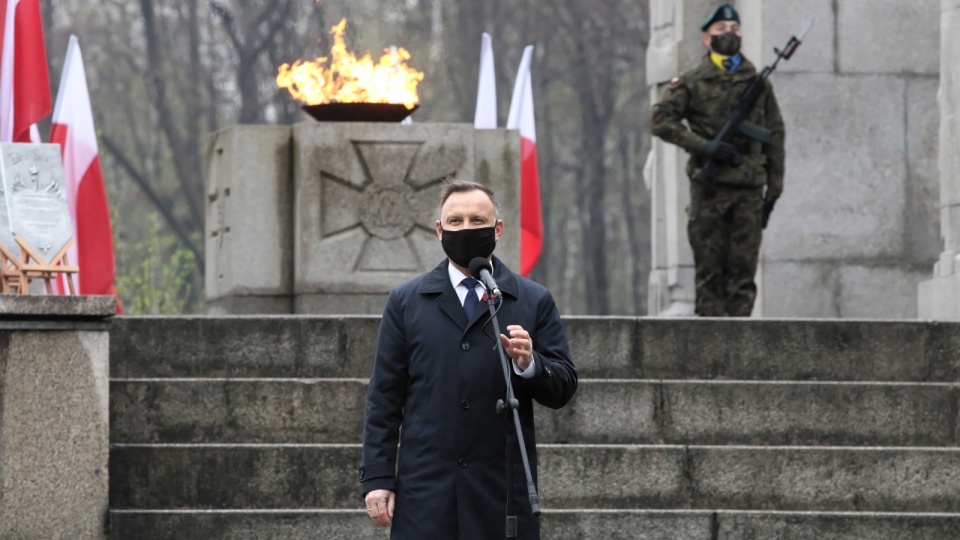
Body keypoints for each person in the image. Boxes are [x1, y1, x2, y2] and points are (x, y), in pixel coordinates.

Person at [359, 178, 578, 539]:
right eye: (456, 221)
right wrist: (378, 478)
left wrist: (529, 364)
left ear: (498, 229)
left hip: (501, 491)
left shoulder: (532, 299)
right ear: (439, 230)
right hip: (426, 490)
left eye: (477, 221)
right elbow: (384, 397)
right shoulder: (407, 301)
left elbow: (564, 385)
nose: (466, 228)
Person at [651, 2, 785, 317]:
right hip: (709, 186)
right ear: (706, 39)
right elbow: (661, 121)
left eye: (735, 29)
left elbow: (775, 135)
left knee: (743, 275)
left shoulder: (757, 83)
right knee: (709, 276)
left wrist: (774, 187)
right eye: (721, 30)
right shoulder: (693, 81)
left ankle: (741, 352)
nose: (729, 34)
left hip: (749, 187)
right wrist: (704, 146)